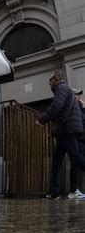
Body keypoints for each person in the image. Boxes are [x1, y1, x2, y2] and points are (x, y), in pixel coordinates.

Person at [36, 71, 85, 199]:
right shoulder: (65, 90)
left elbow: (56, 106)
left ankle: (55, 191)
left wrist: (42, 119)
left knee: (76, 159)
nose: (49, 84)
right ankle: (54, 192)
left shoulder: (61, 88)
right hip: (64, 132)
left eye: (50, 81)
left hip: (67, 131)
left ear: (56, 79)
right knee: (56, 163)